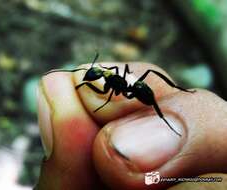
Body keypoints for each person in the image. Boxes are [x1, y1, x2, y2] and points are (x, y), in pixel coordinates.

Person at [35, 62, 227, 190]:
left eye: (92, 77)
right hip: (133, 94)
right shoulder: (110, 77)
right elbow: (111, 91)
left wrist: (90, 87)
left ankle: (172, 106)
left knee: (150, 76)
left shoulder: (113, 79)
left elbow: (111, 92)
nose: (91, 79)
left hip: (140, 93)